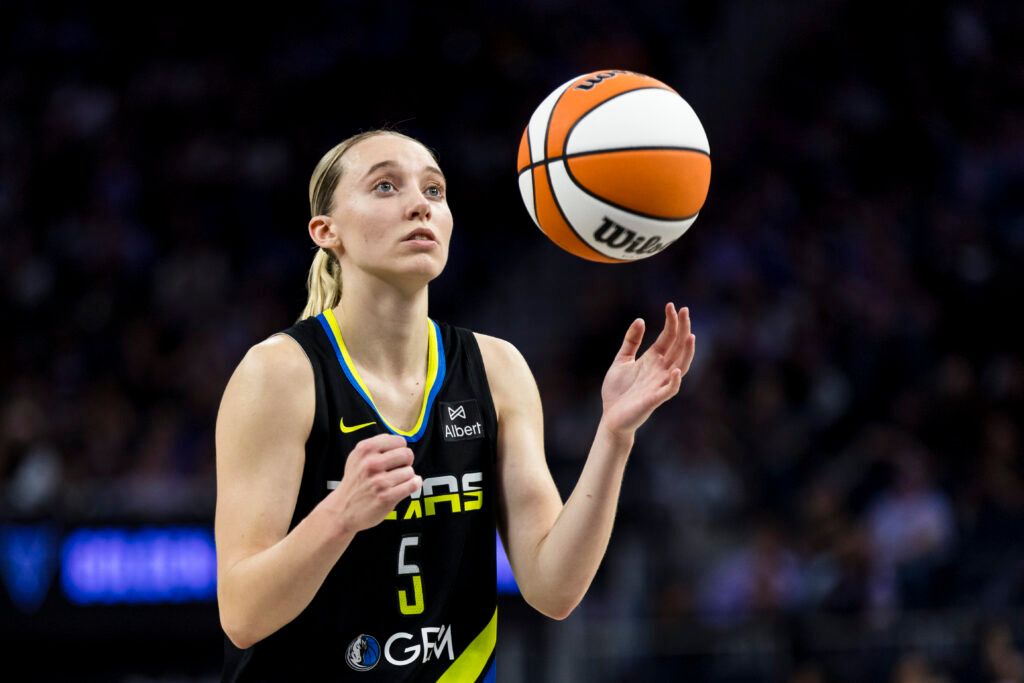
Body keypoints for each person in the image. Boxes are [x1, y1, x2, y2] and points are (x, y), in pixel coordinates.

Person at [214, 128, 696, 681]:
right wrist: (339, 515)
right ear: (327, 231)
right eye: (386, 186)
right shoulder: (278, 375)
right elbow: (242, 615)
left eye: (434, 191)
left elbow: (554, 589)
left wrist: (613, 436)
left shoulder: (497, 369)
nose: (420, 204)